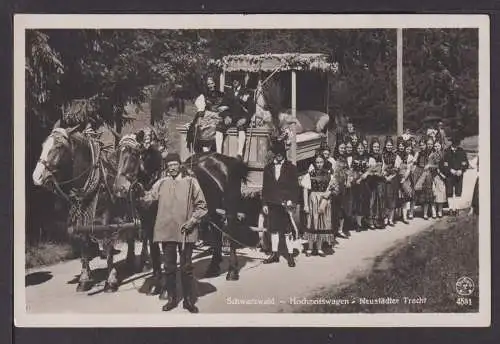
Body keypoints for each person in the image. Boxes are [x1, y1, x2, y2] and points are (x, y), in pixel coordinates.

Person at [140, 152, 208, 313]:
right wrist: (139, 193)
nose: (172, 168)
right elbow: (148, 198)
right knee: (169, 267)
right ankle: (171, 298)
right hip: (166, 232)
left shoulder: (191, 182)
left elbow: (202, 206)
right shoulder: (161, 183)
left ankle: (189, 300)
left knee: (186, 268)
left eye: (174, 165)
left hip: (186, 232)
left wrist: (192, 221)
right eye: (169, 166)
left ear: (180, 165)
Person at [262, 141, 300, 267]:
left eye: (280, 154)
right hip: (272, 203)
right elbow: (265, 187)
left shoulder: (291, 168)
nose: (278, 156)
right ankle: (274, 254)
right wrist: (264, 204)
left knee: (287, 230)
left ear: (284, 154)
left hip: (285, 204)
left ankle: (289, 255)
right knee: (273, 230)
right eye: (276, 154)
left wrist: (291, 201)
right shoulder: (268, 168)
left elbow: (295, 187)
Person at [301, 154, 336, 257]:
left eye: (321, 162)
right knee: (312, 222)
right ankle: (310, 248)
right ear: (314, 163)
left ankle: (319, 248)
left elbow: (332, 188)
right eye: (317, 162)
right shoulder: (310, 174)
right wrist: (306, 205)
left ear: (324, 163)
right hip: (313, 200)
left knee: (322, 222)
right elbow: (305, 190)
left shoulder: (329, 175)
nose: (319, 164)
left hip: (324, 201)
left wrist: (327, 196)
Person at [215, 77, 255, 159]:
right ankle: (218, 154)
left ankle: (239, 154)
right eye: (233, 79)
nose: (235, 81)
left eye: (237, 79)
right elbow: (222, 106)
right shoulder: (228, 92)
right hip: (230, 118)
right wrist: (226, 116)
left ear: (241, 80)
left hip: (241, 118)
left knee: (241, 128)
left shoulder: (247, 92)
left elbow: (251, 109)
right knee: (219, 127)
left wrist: (245, 119)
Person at [188, 77, 226, 153]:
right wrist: (196, 120)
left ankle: (218, 152)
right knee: (202, 128)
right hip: (208, 117)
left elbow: (227, 105)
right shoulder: (204, 96)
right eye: (208, 84)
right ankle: (206, 152)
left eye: (212, 83)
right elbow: (201, 110)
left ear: (215, 83)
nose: (211, 85)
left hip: (219, 116)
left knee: (215, 127)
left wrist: (225, 108)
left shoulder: (222, 94)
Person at [442, 135, 470, 215]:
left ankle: (456, 209)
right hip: (449, 175)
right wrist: (451, 170)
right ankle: (451, 209)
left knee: (458, 191)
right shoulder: (446, 151)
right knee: (449, 192)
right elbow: (444, 163)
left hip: (459, 175)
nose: (456, 145)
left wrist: (461, 170)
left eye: (457, 143)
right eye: (455, 143)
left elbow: (465, 163)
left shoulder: (461, 151)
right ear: (452, 143)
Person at [351, 141, 371, 230]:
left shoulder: (367, 157)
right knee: (357, 201)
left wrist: (366, 174)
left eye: (361, 148)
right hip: (356, 182)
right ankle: (358, 223)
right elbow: (351, 170)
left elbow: (369, 169)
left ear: (364, 148)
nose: (360, 150)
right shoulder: (354, 158)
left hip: (364, 182)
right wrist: (355, 178)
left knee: (364, 200)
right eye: (358, 148)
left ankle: (362, 220)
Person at [414, 137, 436, 219]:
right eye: (428, 144)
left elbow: (437, 164)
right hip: (424, 174)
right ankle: (425, 213)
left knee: (432, 192)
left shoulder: (434, 153)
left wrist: (430, 166)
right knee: (424, 192)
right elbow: (416, 162)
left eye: (431, 144)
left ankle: (433, 211)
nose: (429, 145)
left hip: (432, 173)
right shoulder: (422, 153)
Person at [382, 137, 401, 226]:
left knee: (393, 198)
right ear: (385, 145)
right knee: (386, 199)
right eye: (388, 145)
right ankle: (385, 218)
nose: (389, 146)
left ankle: (391, 219)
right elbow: (382, 168)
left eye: (390, 145)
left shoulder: (396, 156)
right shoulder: (382, 155)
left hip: (393, 179)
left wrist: (391, 175)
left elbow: (396, 169)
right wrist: (386, 177)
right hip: (385, 180)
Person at [367, 138, 386, 229]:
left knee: (380, 200)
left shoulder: (380, 156)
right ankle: (370, 221)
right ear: (371, 147)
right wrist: (374, 173)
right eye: (374, 146)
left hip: (379, 181)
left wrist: (382, 171)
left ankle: (378, 221)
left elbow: (383, 166)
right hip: (372, 181)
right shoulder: (369, 157)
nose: (376, 148)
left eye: (377, 147)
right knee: (372, 201)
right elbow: (369, 171)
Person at [397, 140, 415, 224]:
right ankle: (396, 215)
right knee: (397, 196)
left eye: (403, 147)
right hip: (397, 178)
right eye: (400, 146)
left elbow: (409, 169)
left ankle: (404, 216)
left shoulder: (410, 157)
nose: (402, 148)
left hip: (405, 178)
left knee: (404, 197)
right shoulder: (396, 155)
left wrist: (404, 178)